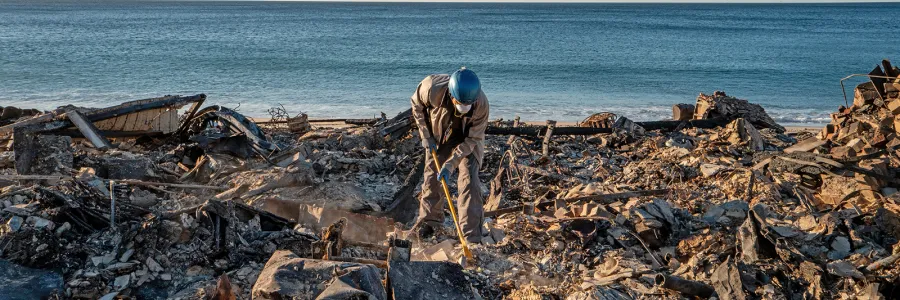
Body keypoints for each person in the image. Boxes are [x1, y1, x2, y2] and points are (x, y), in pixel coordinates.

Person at [410, 67, 489, 244]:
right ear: (452, 96)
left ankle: (471, 236)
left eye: (467, 107)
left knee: (470, 181)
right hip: (440, 133)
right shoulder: (432, 88)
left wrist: (451, 164)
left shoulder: (481, 104)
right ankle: (430, 222)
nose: (464, 110)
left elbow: (472, 139)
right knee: (432, 177)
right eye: (460, 105)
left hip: (468, 139)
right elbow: (416, 105)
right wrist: (426, 135)